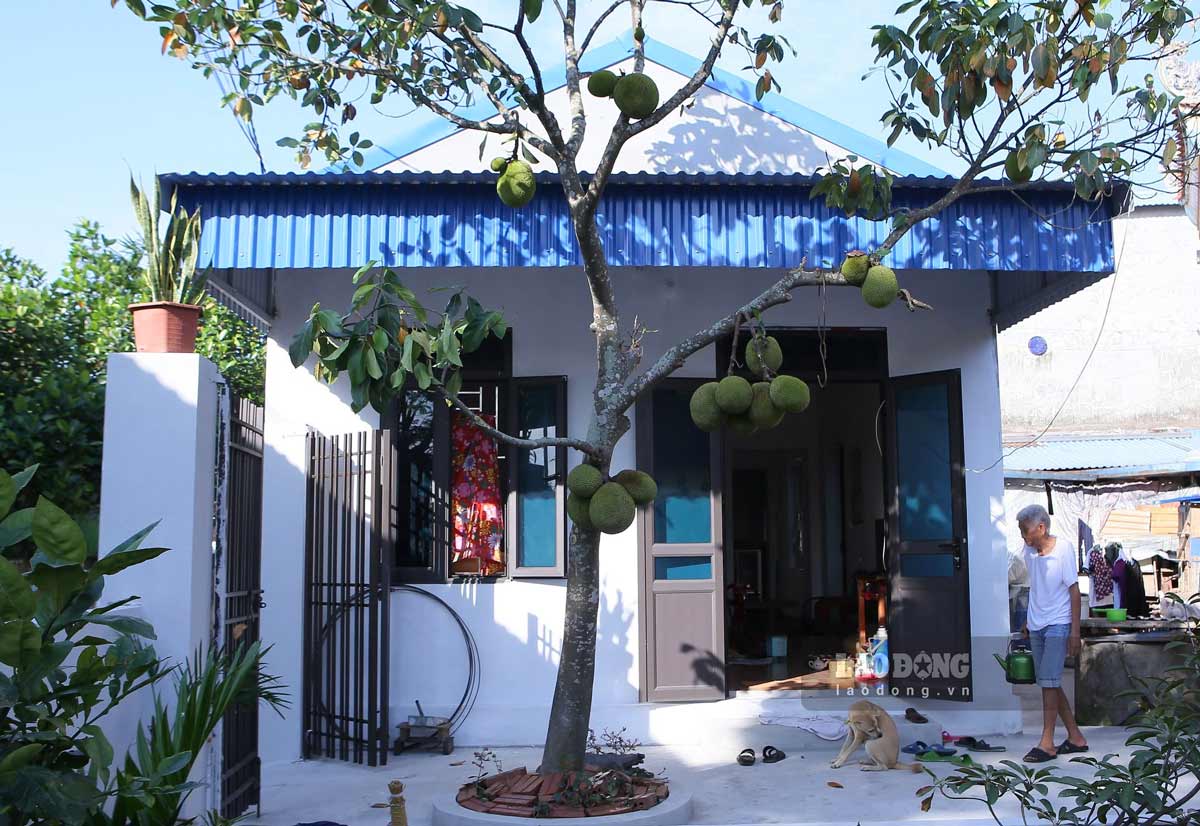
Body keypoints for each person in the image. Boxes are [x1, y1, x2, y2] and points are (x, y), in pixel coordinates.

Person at [1016, 504, 1089, 763]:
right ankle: (1076, 737)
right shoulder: (1029, 551)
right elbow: (1035, 586)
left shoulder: (1064, 549)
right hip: (1036, 623)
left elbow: (1074, 590)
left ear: (1041, 527)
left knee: (1048, 682)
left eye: (1026, 531)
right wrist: (1027, 619)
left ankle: (1047, 742)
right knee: (1049, 682)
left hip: (1058, 623)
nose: (1023, 537)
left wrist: (1075, 632)